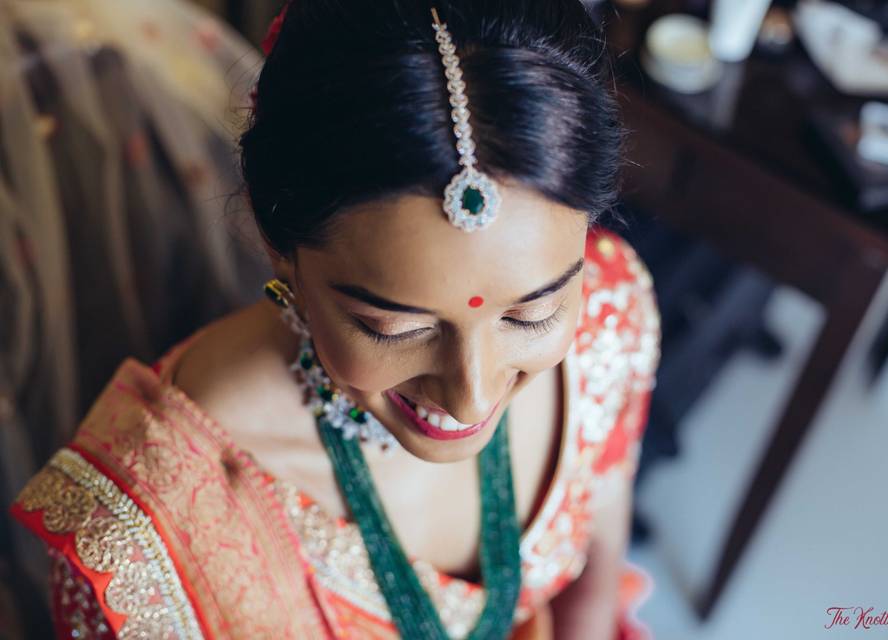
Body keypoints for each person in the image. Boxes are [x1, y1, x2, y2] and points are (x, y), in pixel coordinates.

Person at [10, 0, 661, 638]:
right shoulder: (149, 530)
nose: (472, 394)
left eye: (534, 313)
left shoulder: (610, 309)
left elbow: (598, 572)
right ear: (277, 246)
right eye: (394, 329)